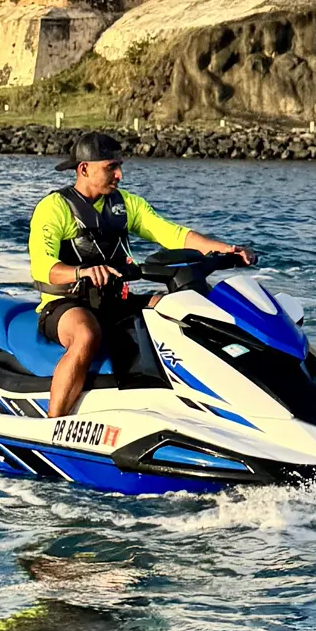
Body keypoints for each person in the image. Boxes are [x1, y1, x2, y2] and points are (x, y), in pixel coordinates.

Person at [29, 132, 254, 417]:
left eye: (120, 166)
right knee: (86, 334)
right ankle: (54, 422)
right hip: (66, 305)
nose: (120, 174)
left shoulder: (125, 205)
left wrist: (225, 250)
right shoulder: (55, 208)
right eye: (111, 167)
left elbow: (171, 233)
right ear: (84, 168)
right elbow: (42, 267)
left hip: (115, 300)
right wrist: (81, 272)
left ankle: (206, 403)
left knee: (177, 309)